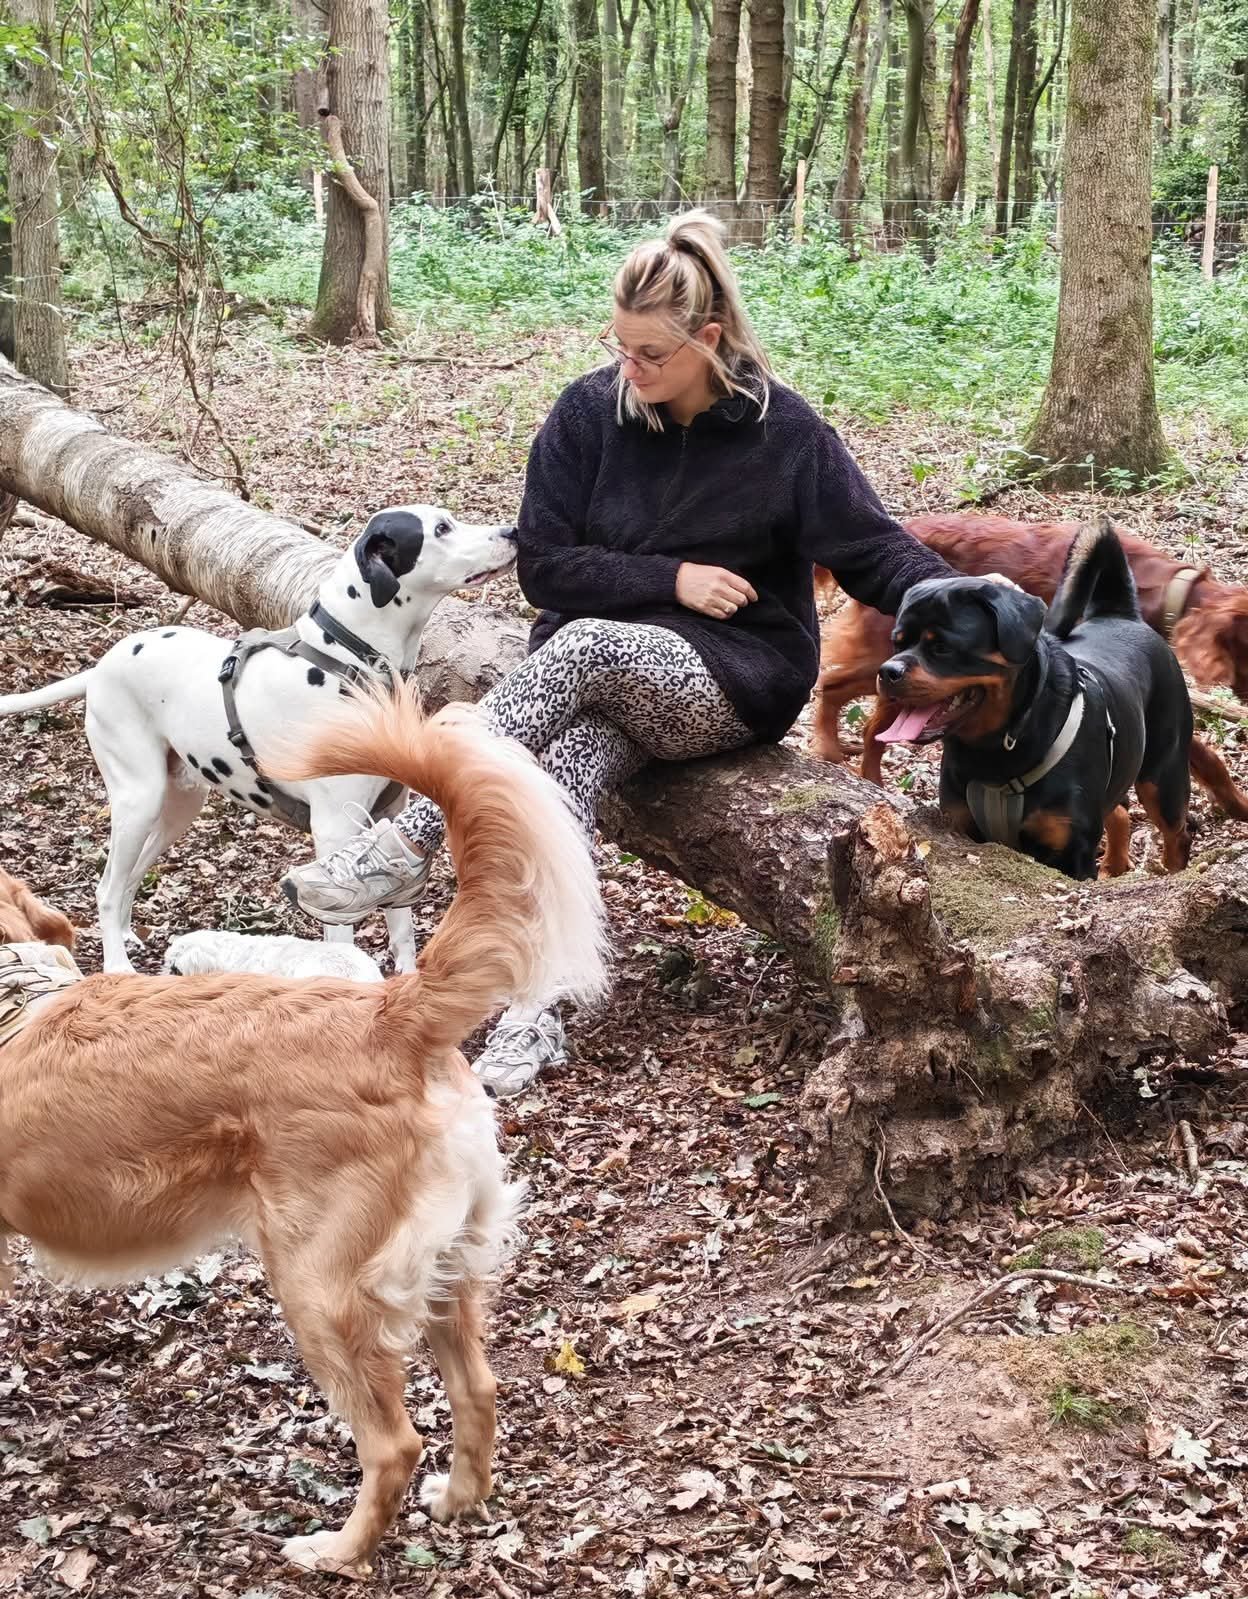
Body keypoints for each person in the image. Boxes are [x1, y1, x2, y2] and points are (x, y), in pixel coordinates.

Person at [283, 210, 952, 1098]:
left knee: (590, 646)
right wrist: (671, 578)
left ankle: (407, 840)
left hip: (735, 674)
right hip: (596, 677)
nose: (629, 371)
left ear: (708, 338)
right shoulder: (586, 414)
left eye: (651, 355)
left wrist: (966, 599)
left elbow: (873, 549)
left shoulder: (784, 434)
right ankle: (537, 1009)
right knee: (564, 772)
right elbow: (545, 566)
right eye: (621, 347)